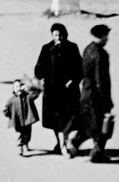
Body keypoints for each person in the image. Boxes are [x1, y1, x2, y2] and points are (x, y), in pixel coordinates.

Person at [34, 22, 83, 155]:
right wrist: (40, 73)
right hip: (52, 92)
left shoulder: (72, 48)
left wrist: (74, 80)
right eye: (56, 35)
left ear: (65, 35)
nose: (59, 38)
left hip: (69, 91)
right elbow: (38, 69)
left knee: (68, 119)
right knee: (55, 121)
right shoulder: (46, 49)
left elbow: (80, 68)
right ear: (52, 35)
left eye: (61, 35)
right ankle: (61, 143)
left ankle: (65, 143)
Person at [67, 24, 113, 162]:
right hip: (96, 96)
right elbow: (101, 79)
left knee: (89, 124)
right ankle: (97, 153)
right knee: (101, 126)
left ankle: (75, 144)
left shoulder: (88, 49)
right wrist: (106, 100)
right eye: (106, 36)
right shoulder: (101, 54)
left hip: (86, 92)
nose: (108, 39)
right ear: (103, 36)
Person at [3, 78, 41, 156]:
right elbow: (6, 109)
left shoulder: (28, 96)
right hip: (17, 121)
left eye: (20, 86)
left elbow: (36, 93)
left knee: (27, 134)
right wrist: (8, 114)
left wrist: (30, 87)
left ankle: (26, 143)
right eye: (16, 87)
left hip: (27, 119)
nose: (19, 88)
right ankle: (19, 147)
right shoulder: (12, 100)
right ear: (13, 89)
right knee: (19, 134)